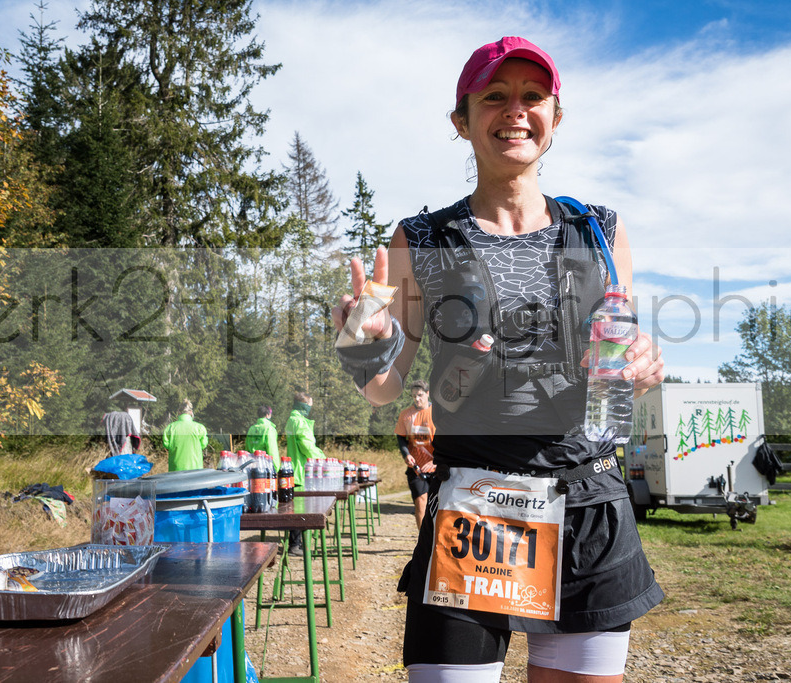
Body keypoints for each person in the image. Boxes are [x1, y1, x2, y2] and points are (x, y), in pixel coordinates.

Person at [332, 37, 666, 683]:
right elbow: (384, 387)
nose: (515, 110)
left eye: (532, 96)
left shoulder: (600, 230)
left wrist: (646, 363)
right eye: (495, 96)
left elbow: (620, 359)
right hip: (476, 511)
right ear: (462, 120)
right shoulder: (421, 240)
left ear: (555, 118)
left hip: (591, 504)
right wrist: (364, 342)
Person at [284, 391, 325, 555]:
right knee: (299, 510)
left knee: (296, 508)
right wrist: (322, 457)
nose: (310, 410)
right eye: (309, 406)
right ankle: (295, 545)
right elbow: (307, 447)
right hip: (301, 471)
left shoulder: (292, 420)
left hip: (293, 469)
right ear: (303, 406)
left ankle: (296, 544)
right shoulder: (299, 422)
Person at [395, 379, 436, 528]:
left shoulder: (437, 413)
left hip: (436, 466)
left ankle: (437, 538)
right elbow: (400, 437)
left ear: (427, 394)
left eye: (419, 395)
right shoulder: (406, 415)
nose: (417, 399)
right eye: (413, 396)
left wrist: (436, 461)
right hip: (416, 468)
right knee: (420, 502)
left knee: (439, 505)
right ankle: (422, 541)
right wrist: (406, 454)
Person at [162, 399, 209, 472]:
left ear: (179, 412)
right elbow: (203, 444)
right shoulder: (199, 428)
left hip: (175, 469)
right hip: (195, 469)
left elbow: (166, 444)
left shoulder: (170, 428)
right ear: (191, 412)